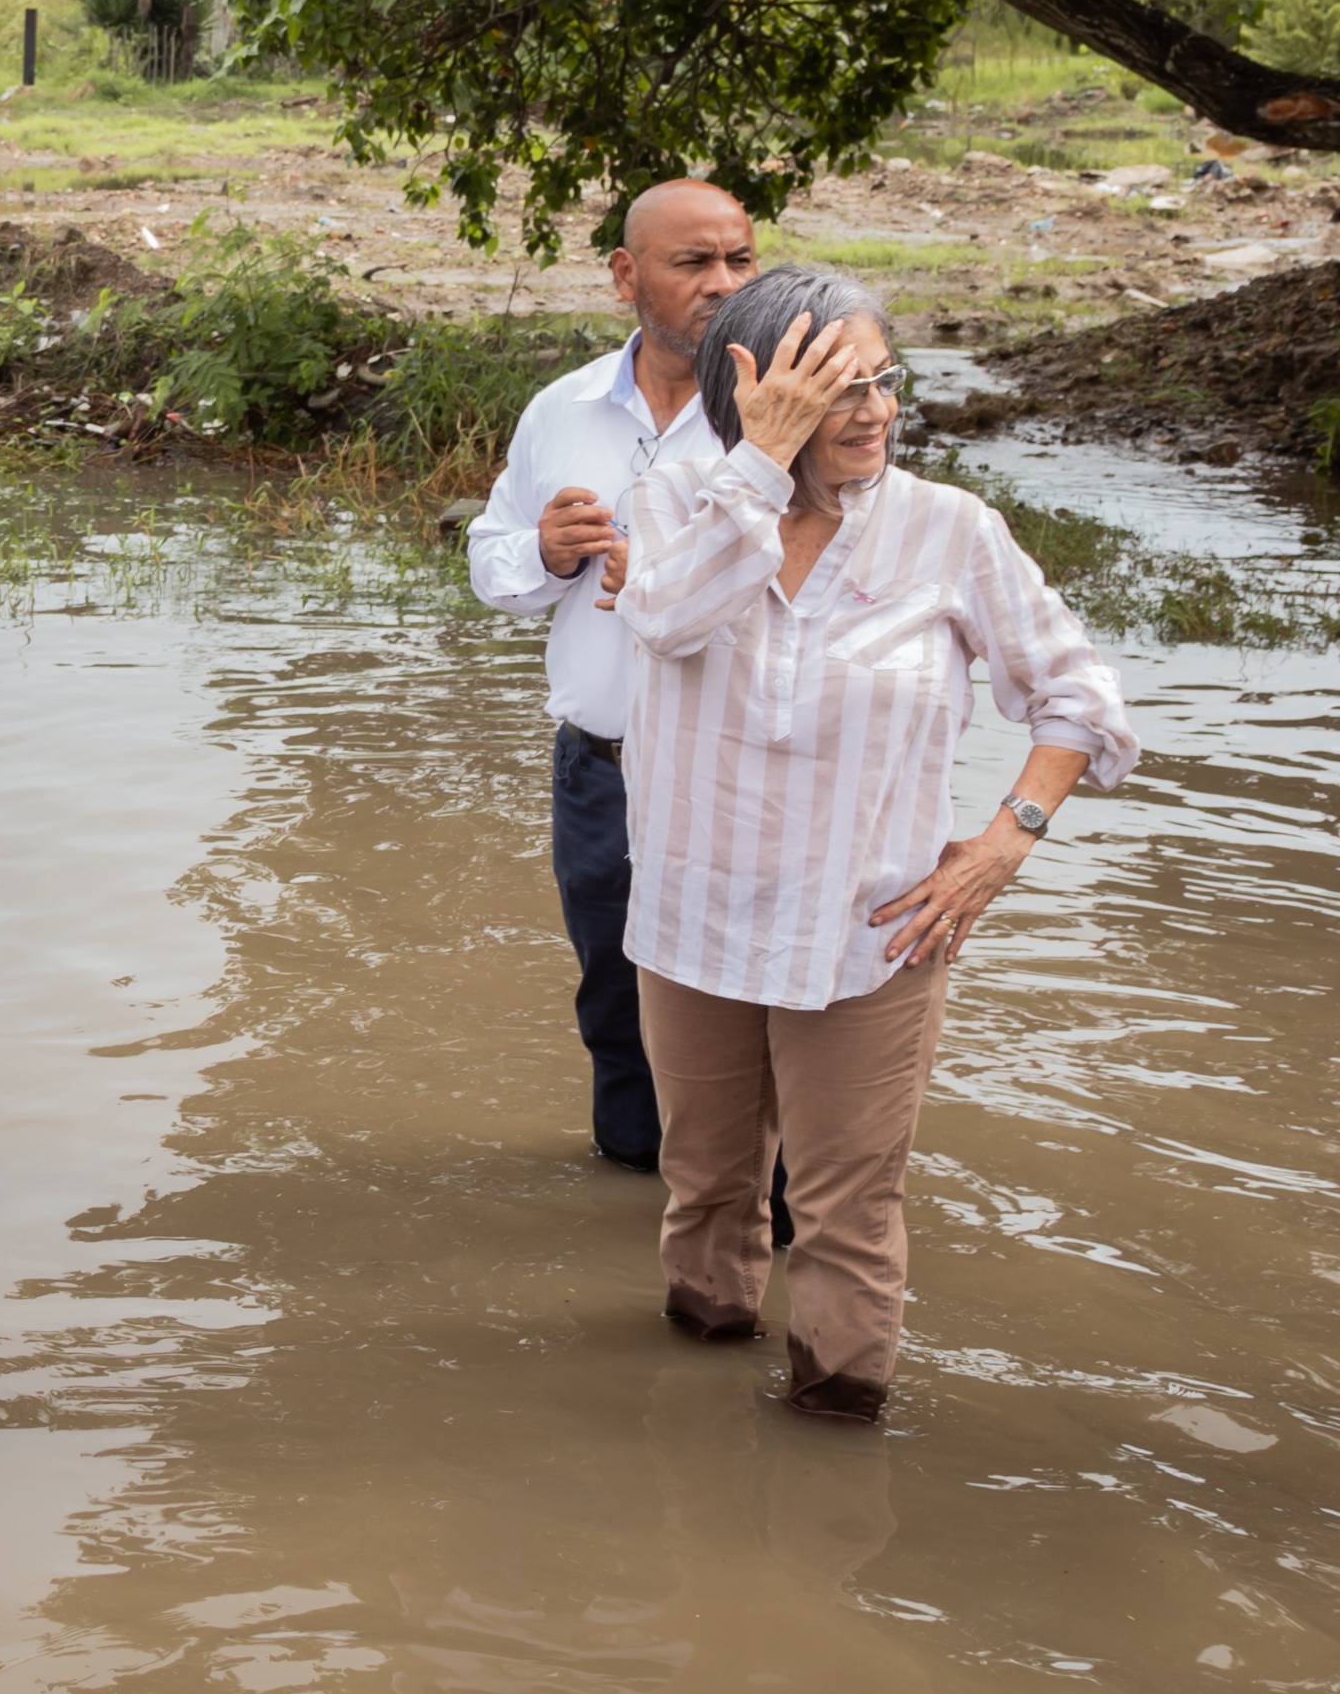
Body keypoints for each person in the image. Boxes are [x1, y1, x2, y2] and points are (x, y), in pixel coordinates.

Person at [608, 267, 1137, 1423]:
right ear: (746, 389)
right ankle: (688, 1407)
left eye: (882, 381)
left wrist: (1006, 842)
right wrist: (755, 465)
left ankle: (836, 1434)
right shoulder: (681, 500)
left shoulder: (948, 529)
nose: (872, 410)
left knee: (848, 1208)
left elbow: (1081, 700)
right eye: (833, 387)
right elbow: (661, 618)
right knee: (704, 1189)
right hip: (692, 919)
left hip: (871, 929)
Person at [466, 179, 765, 1179]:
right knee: (613, 995)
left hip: (746, 774)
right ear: (627, 277)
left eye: (740, 259)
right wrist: (545, 556)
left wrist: (684, 581)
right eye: (694, 263)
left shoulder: (782, 419)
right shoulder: (563, 410)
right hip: (602, 769)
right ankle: (636, 1189)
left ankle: (757, 1205)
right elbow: (490, 563)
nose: (722, 284)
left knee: (751, 999)